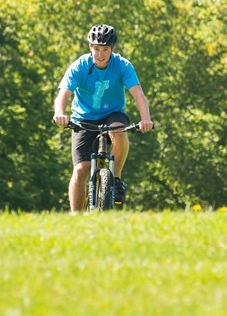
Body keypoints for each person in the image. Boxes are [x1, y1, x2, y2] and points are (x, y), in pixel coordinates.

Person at [53, 24, 154, 213]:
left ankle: (115, 179)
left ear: (112, 50)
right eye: (97, 49)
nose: (100, 55)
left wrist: (145, 118)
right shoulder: (80, 66)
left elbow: (138, 94)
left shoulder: (122, 65)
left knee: (119, 130)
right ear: (90, 48)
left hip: (112, 114)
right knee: (81, 170)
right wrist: (60, 113)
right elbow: (63, 95)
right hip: (83, 118)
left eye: (105, 49)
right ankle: (75, 215)